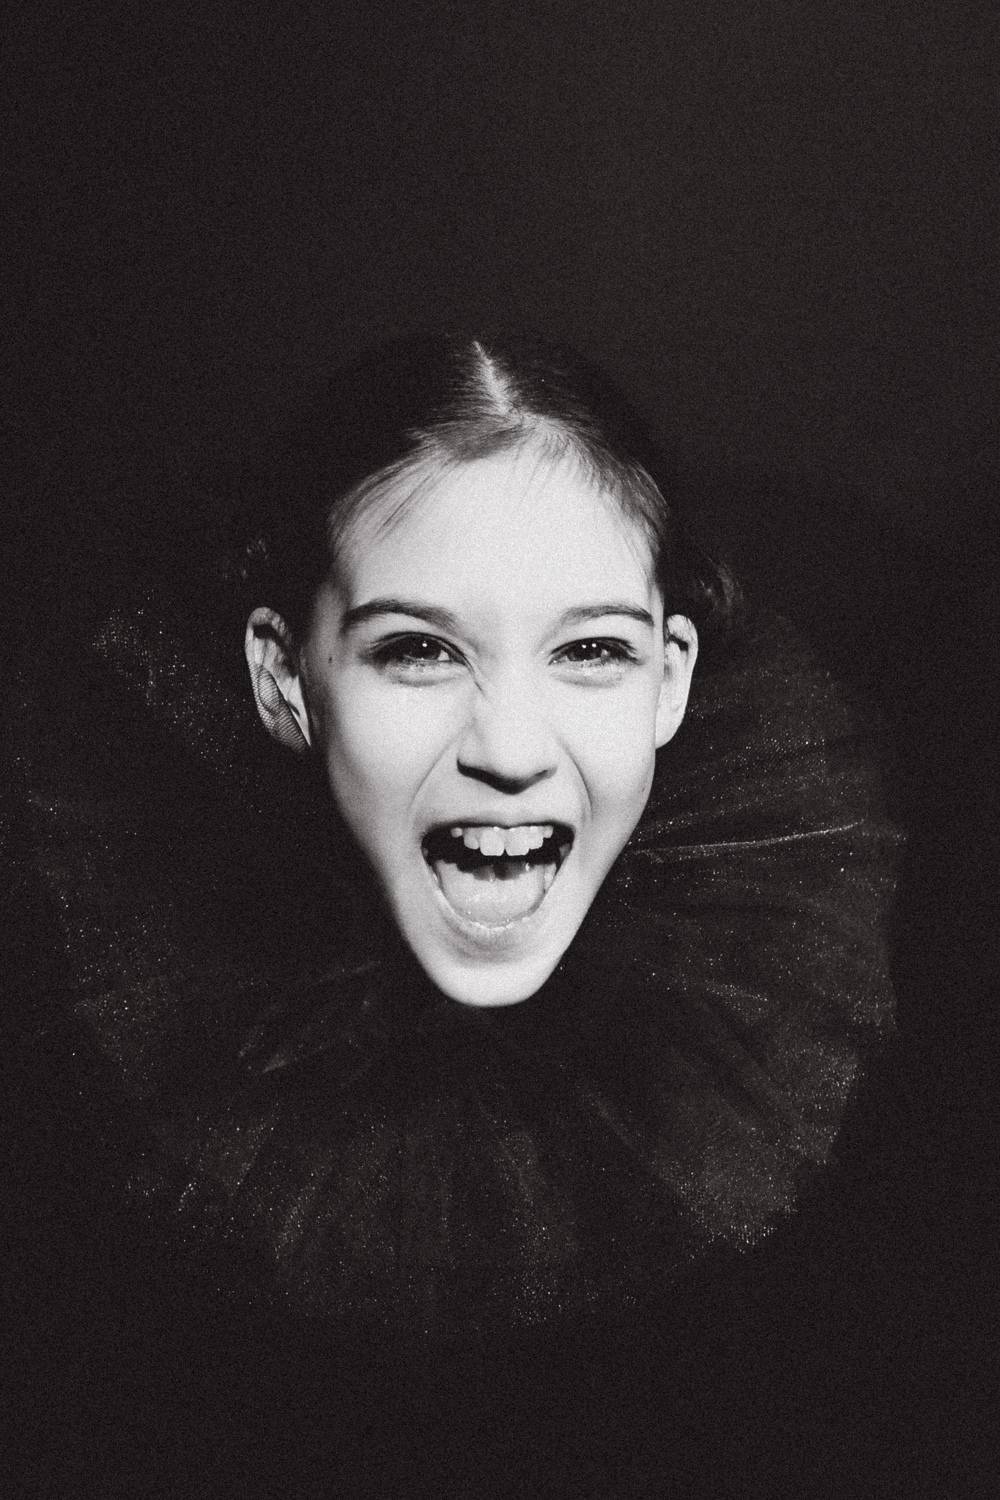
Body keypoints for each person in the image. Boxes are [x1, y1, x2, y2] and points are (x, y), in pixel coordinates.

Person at [10, 331, 898, 1344]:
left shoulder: (771, 1061)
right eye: (419, 650)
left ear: (670, 680)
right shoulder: (109, 1081)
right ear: (283, 678)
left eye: (591, 649)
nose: (510, 751)